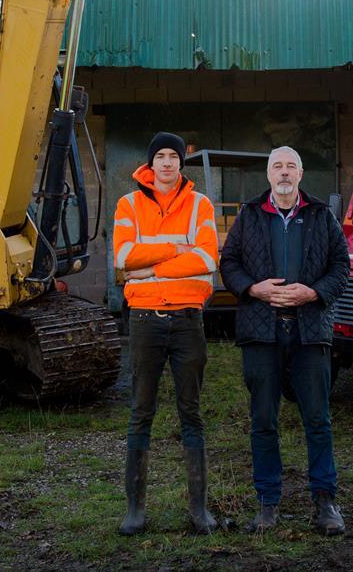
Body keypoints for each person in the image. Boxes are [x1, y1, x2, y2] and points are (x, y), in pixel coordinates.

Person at [218, 146, 350, 536]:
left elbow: (342, 266)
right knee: (263, 419)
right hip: (262, 331)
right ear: (269, 174)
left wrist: (314, 293)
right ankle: (267, 503)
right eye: (278, 166)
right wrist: (252, 288)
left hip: (309, 331)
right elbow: (229, 263)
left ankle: (325, 502)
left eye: (291, 166)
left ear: (301, 174)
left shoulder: (321, 215)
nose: (284, 172)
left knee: (317, 419)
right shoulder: (249, 214)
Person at [113, 132, 220, 536]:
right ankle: (135, 511)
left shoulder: (200, 205)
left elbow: (207, 257)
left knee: (191, 411)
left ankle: (199, 510)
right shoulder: (128, 204)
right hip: (145, 320)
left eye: (173, 156)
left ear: (180, 163)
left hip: (188, 320)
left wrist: (153, 268)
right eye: (159, 155)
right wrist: (178, 250)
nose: (167, 162)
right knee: (141, 410)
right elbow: (124, 257)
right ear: (150, 163)